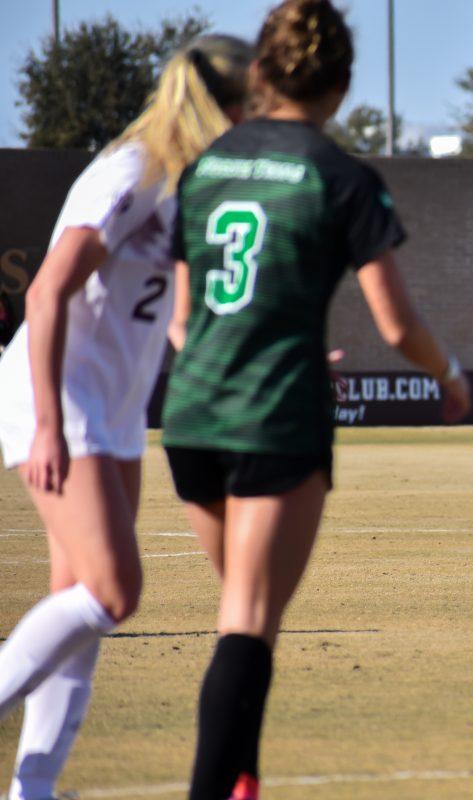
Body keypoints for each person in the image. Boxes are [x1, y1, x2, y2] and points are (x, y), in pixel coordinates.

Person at [162, 3, 470, 798]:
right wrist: (451, 375)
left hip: (192, 416)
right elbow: (398, 326)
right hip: (273, 417)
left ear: (261, 72)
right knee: (248, 624)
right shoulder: (342, 176)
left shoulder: (204, 165)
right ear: (340, 87)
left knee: (242, 616)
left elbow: (181, 322)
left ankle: (243, 781)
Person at [0, 36, 253, 800]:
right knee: (115, 591)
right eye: (248, 100)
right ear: (216, 103)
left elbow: (177, 319)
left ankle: (32, 790)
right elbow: (45, 295)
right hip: (57, 399)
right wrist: (47, 423)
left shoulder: (186, 184)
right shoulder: (130, 170)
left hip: (112, 412)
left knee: (82, 604)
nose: (255, 115)